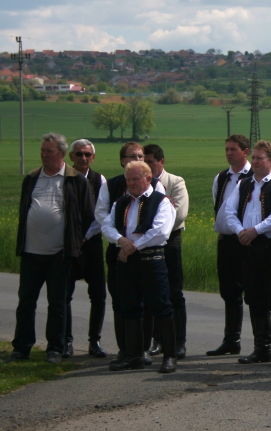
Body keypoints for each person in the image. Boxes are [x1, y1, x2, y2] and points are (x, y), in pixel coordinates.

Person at [6, 133, 95, 364]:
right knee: (26, 302)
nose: (44, 155)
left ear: (62, 154)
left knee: (57, 304)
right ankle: (21, 349)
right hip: (30, 252)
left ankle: (54, 349)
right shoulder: (32, 177)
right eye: (43, 151)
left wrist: (75, 241)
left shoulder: (75, 180)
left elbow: (88, 215)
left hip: (59, 255)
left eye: (50, 151)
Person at [102, 161, 178, 373]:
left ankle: (170, 356)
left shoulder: (162, 201)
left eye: (136, 179)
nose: (132, 183)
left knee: (161, 306)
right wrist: (120, 240)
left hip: (151, 260)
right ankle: (134, 355)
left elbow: (160, 231)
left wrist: (133, 246)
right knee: (129, 307)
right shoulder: (121, 203)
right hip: (127, 261)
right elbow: (107, 225)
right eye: (128, 180)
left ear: (148, 179)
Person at [95, 141, 165, 365]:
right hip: (118, 250)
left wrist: (133, 245)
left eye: (141, 156)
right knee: (121, 301)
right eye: (132, 156)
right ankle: (125, 349)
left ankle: (142, 348)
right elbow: (102, 215)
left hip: (144, 251)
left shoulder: (156, 185)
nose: (137, 160)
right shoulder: (111, 185)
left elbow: (157, 218)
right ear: (122, 160)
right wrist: (120, 240)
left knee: (146, 303)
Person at [224, 141, 271, 366]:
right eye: (253, 158)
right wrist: (241, 231)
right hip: (248, 246)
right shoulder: (244, 184)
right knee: (254, 297)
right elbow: (229, 211)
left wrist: (256, 230)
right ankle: (261, 348)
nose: (254, 161)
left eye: (259, 158)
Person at [207, 135, 254, 356]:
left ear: (245, 151)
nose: (228, 153)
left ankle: (262, 343)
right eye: (226, 149)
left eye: (233, 149)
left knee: (253, 292)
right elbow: (219, 207)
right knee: (229, 291)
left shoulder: (255, 176)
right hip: (227, 241)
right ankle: (231, 340)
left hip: (249, 241)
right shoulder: (221, 178)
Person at [143, 144, 190, 359]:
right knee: (153, 293)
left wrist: (154, 227)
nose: (147, 165)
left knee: (174, 293)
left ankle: (179, 341)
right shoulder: (140, 183)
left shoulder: (175, 182)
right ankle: (157, 340)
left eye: (150, 162)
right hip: (148, 244)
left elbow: (179, 214)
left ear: (161, 162)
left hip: (170, 242)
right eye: (144, 161)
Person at [64, 139, 107, 358]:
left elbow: (103, 213)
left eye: (87, 154)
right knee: (64, 294)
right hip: (67, 244)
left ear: (93, 157)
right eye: (79, 154)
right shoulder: (63, 178)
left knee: (98, 294)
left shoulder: (100, 180)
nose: (83, 158)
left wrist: (85, 236)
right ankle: (66, 341)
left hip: (92, 243)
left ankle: (94, 341)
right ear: (71, 156)